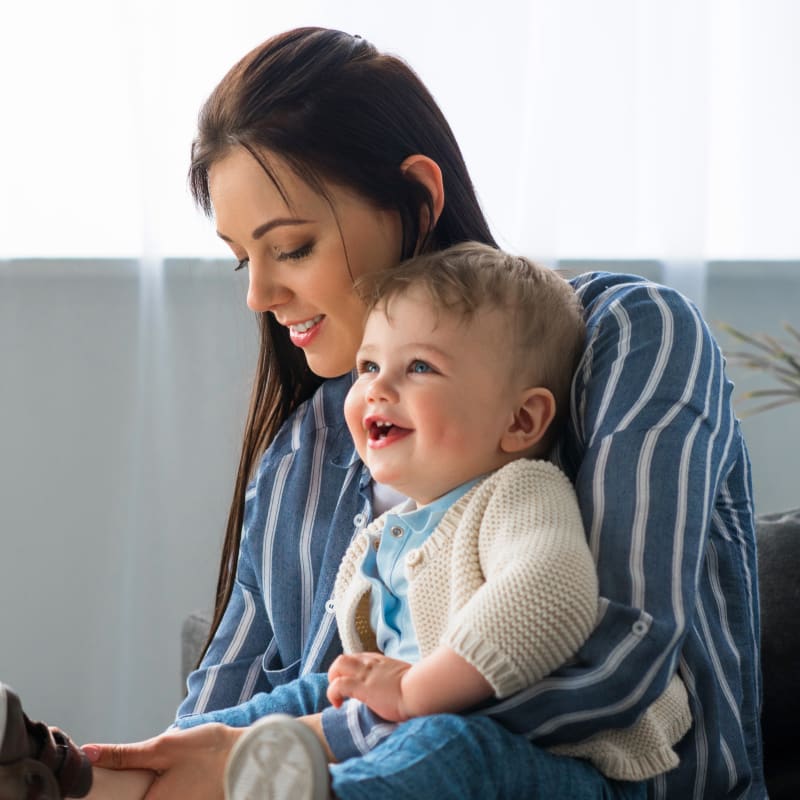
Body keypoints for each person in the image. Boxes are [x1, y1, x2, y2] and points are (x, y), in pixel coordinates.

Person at [84, 25, 764, 800]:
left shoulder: (626, 335)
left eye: (294, 247)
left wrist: (297, 747)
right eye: (245, 259)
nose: (258, 296)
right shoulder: (303, 456)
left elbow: (616, 658)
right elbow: (226, 708)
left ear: (416, 198)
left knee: (447, 739)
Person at [202, 242, 691, 800]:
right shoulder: (384, 536)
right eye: (368, 366)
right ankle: (129, 768)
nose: (377, 389)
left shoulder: (518, 492)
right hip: (420, 741)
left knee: (447, 745)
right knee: (302, 698)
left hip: (561, 768)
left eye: (419, 367)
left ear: (522, 420)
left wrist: (412, 692)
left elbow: (548, 595)